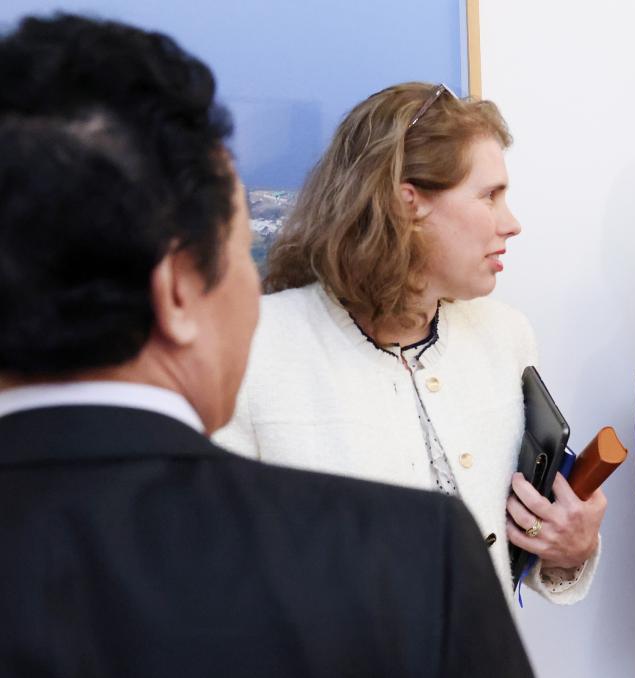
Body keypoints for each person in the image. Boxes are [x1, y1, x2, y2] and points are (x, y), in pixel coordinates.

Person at [0, 14, 530, 676]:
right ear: (175, 293)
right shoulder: (413, 549)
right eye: (239, 254)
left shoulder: (503, 336)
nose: (511, 222)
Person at [213, 82, 605, 604]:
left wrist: (567, 548)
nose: (512, 224)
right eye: (490, 195)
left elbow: (519, 550)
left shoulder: (505, 335)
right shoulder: (255, 347)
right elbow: (210, 572)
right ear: (408, 202)